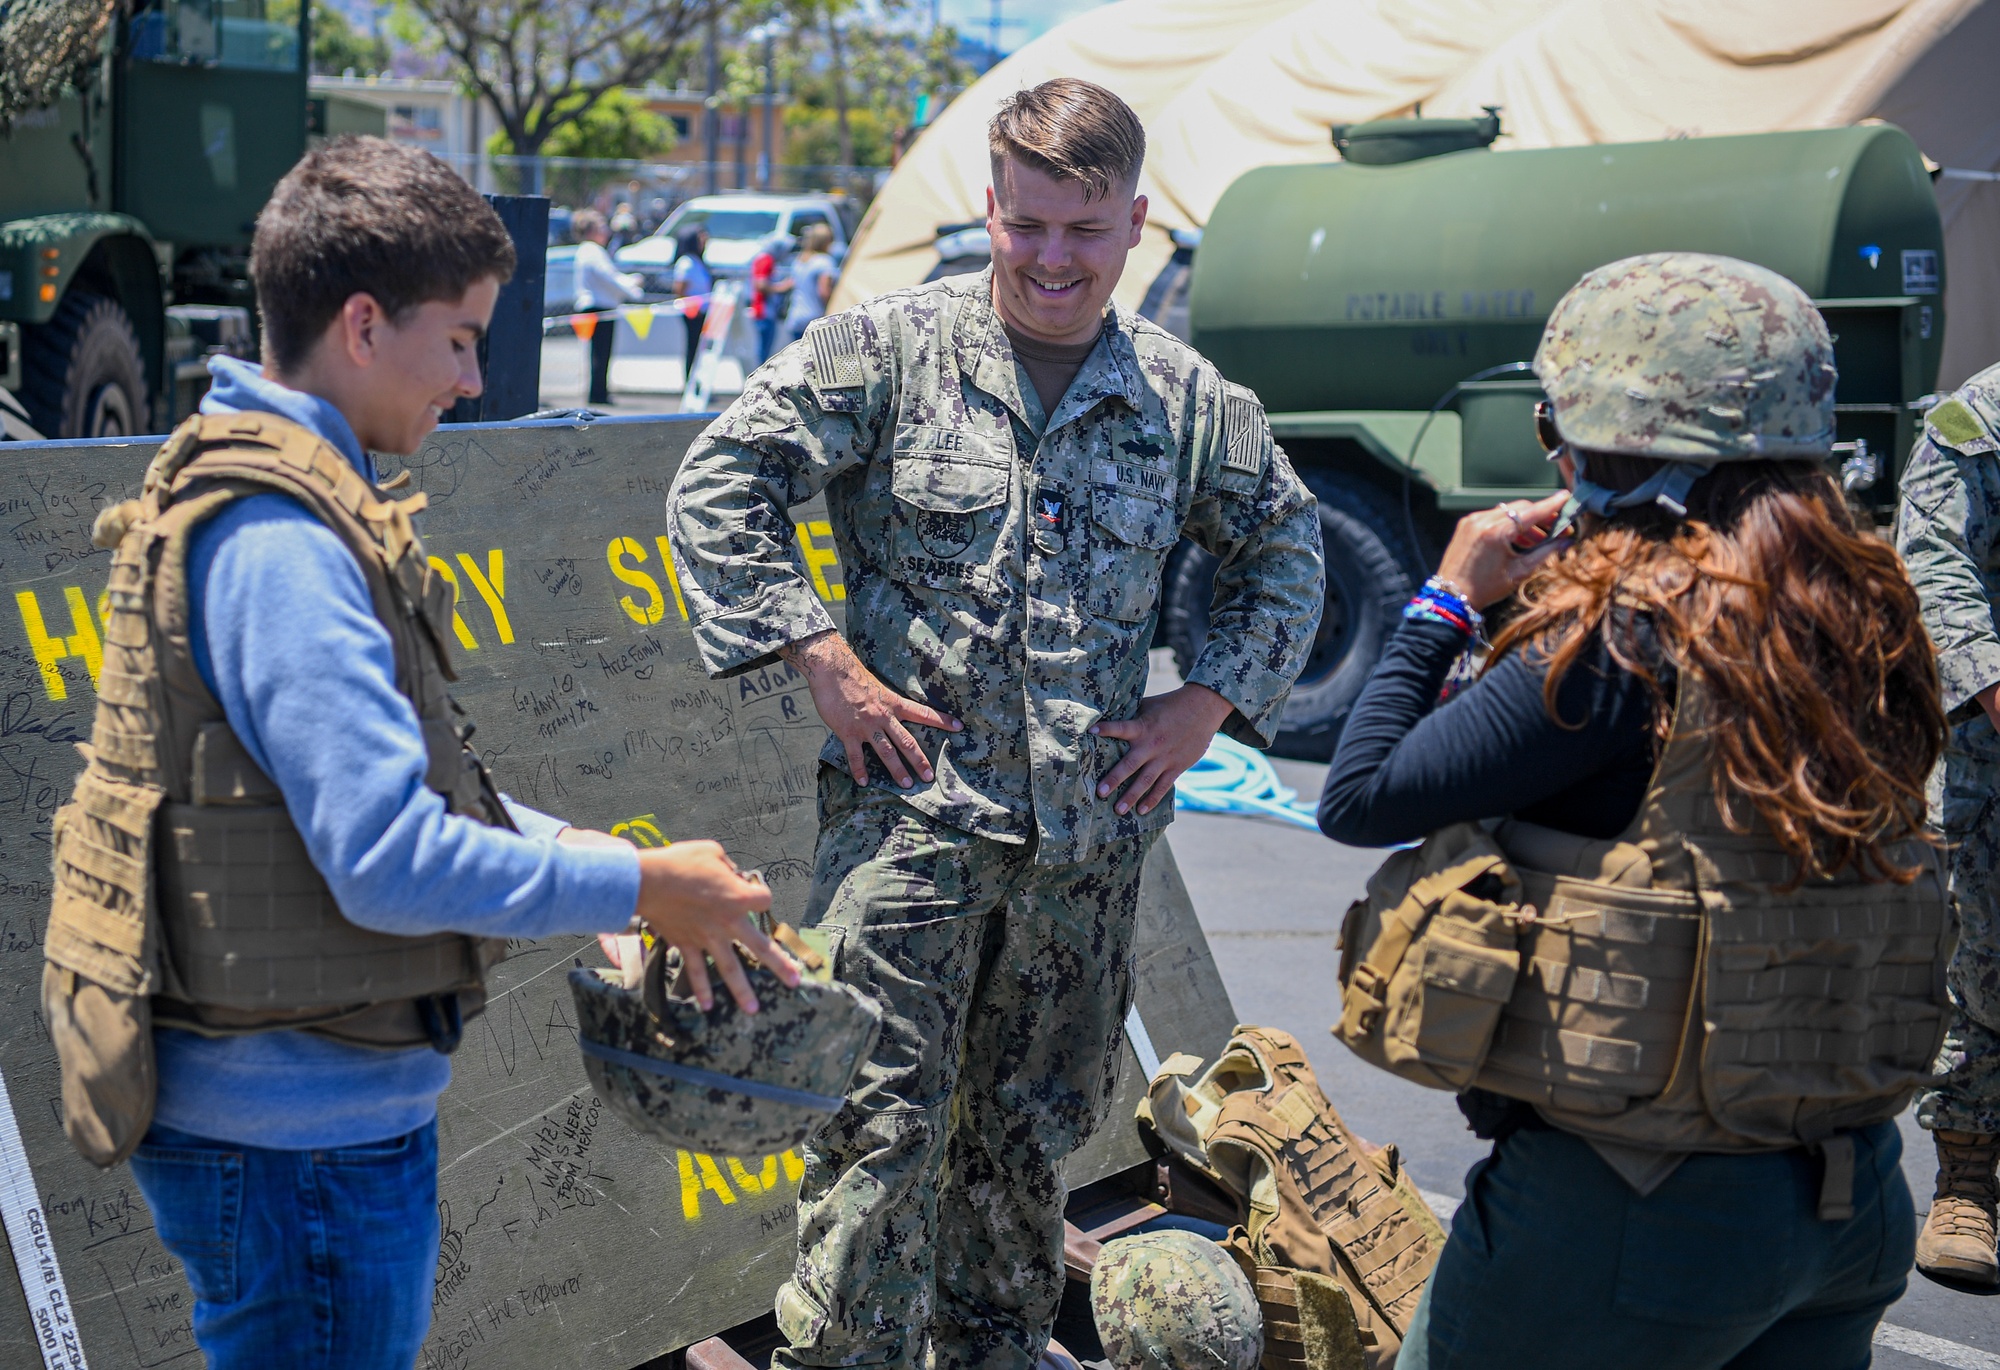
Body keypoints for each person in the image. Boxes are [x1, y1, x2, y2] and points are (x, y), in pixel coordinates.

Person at [40, 137, 795, 1368]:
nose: (472, 375)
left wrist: (601, 859)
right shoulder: (284, 543)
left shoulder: (281, 498)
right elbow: (384, 859)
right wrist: (640, 885)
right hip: (298, 1145)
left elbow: (414, 795)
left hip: (291, 1127)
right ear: (359, 325)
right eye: (457, 337)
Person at [667, 78, 1325, 1370]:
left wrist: (1200, 708)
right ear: (990, 208)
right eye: (1025, 225)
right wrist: (822, 655)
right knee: (874, 1127)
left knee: (1030, 1138)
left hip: (1083, 859)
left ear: (1135, 224)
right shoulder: (891, 351)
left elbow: (1287, 546)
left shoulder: (1183, 402)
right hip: (910, 831)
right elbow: (721, 478)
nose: (1051, 259)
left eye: (1083, 231)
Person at [1319, 253, 1951, 1369]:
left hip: (1629, 1211)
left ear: (1596, 443)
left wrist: (1446, 597)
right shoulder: (1865, 616)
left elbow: (1364, 791)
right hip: (1844, 1198)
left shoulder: (1626, 634)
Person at [1895, 359, 2000, 1286]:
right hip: (1990, 752)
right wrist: (1992, 682)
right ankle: (1968, 1180)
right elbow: (1934, 557)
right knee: (1983, 964)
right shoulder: (1982, 416)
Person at [571, 206, 644, 407]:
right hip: (598, 307)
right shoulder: (592, 250)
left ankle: (599, 391)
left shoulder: (590, 250)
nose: (606, 230)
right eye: (601, 226)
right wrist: (633, 288)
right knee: (600, 353)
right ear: (591, 230)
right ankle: (598, 394)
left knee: (599, 353)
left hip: (598, 306)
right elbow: (608, 276)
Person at [783, 221, 836, 346]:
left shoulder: (799, 261)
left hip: (795, 316)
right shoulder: (825, 261)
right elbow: (824, 291)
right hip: (814, 318)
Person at [671, 225, 713, 376]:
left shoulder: (697, 261)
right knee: (693, 348)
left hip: (702, 312)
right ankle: (691, 381)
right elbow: (679, 289)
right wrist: (691, 308)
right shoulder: (686, 262)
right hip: (693, 314)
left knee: (699, 350)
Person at [750, 231, 795, 365]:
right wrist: (783, 286)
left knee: (764, 348)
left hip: (764, 311)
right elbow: (761, 285)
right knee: (764, 350)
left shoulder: (763, 259)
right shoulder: (766, 260)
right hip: (765, 311)